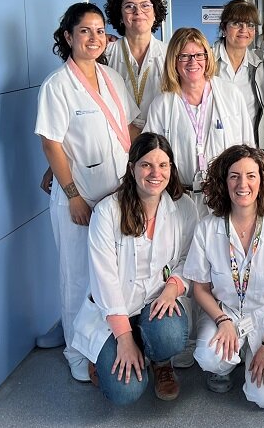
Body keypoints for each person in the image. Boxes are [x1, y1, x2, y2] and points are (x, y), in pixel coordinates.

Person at [35, 2, 139, 381]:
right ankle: (78, 355)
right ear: (68, 36)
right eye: (84, 31)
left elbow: (130, 126)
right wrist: (73, 195)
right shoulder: (57, 85)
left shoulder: (111, 78)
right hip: (80, 199)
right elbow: (51, 142)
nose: (94, 38)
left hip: (116, 195)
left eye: (99, 31)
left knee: (111, 275)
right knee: (78, 277)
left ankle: (105, 345)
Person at [72, 133, 195, 404]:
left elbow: (189, 259)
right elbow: (105, 281)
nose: (155, 173)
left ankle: (160, 361)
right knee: (124, 391)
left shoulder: (184, 207)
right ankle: (116, 348)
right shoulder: (108, 212)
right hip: (115, 312)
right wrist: (124, 339)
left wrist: (172, 289)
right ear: (132, 168)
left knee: (170, 336)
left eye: (163, 165)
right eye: (146, 165)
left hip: (156, 303)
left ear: (171, 169)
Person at [183, 145, 264, 409]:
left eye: (251, 176)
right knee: (208, 357)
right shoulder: (207, 228)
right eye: (234, 176)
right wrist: (222, 320)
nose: (242, 184)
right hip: (226, 312)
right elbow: (200, 288)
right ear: (224, 182)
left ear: (262, 180)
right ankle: (225, 366)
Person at [143, 27, 255, 218]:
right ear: (174, 61)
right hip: (179, 199)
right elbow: (151, 156)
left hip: (224, 196)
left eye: (198, 55)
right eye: (184, 56)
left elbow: (248, 148)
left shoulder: (231, 94)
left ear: (207, 57)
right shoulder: (162, 104)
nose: (192, 61)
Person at [103, 0, 168, 131]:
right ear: (120, 16)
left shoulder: (170, 55)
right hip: (116, 136)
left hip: (160, 137)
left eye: (145, 5)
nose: (138, 11)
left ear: (155, 14)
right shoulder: (105, 54)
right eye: (129, 6)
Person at [213, 0, 264, 146]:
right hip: (214, 148)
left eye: (250, 25)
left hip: (248, 149)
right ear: (224, 28)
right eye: (236, 23)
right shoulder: (207, 63)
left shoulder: (260, 67)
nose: (244, 30)